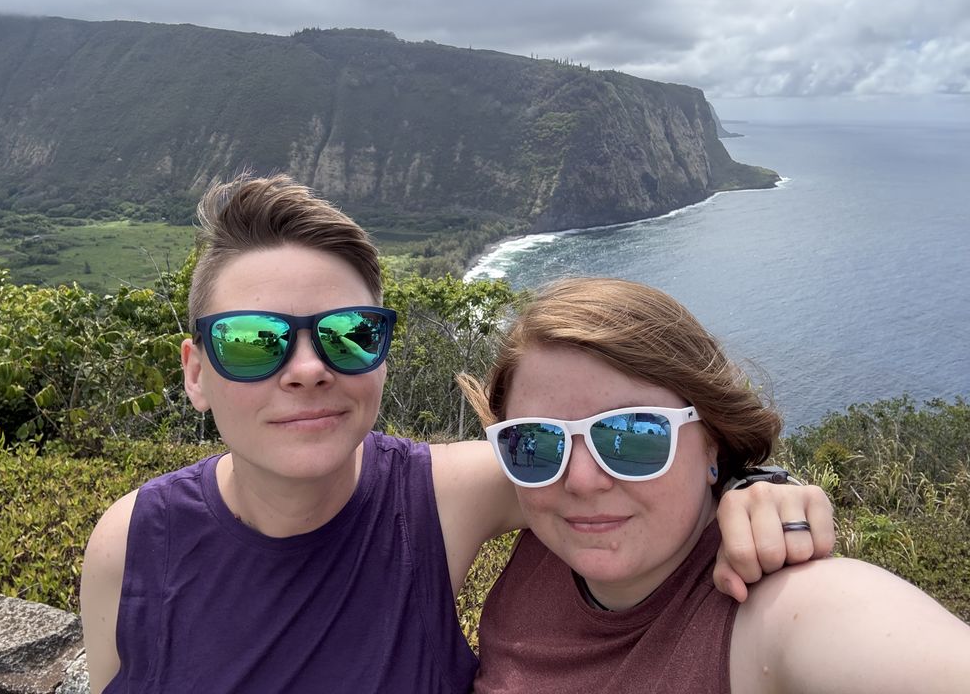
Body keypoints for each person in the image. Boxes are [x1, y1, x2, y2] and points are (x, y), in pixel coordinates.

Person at [80, 176, 834, 694]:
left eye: (349, 334)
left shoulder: (440, 496)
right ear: (196, 371)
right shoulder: (132, 543)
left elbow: (621, 464)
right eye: (253, 341)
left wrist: (754, 486)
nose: (308, 369)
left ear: (381, 355)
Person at [460, 278, 970, 693]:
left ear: (711, 442)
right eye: (537, 440)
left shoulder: (772, 611)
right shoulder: (537, 535)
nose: (581, 480)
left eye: (633, 433)